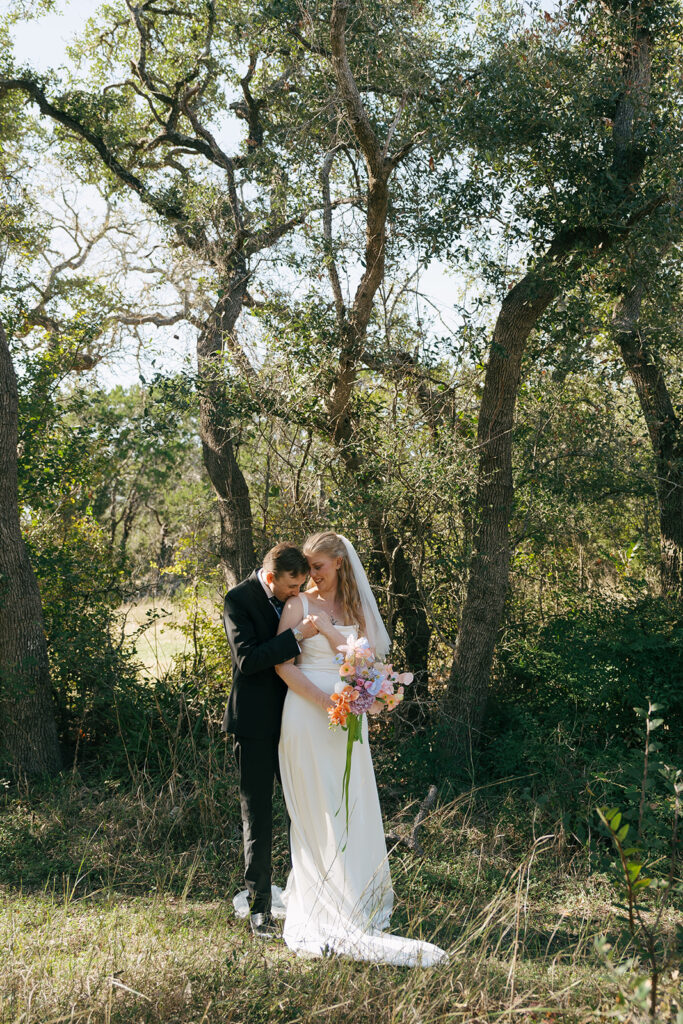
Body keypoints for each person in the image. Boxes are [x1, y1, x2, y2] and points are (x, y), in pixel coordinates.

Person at [274, 531, 448, 966]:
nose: (310, 575)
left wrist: (350, 691)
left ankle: (356, 894)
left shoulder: (356, 609)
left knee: (350, 802)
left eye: (318, 566)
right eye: (307, 567)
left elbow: (368, 664)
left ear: (339, 564)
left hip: (350, 716)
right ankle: (319, 895)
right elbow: (281, 664)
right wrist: (322, 700)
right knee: (315, 806)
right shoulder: (297, 605)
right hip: (306, 713)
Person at [221, 542, 318, 939]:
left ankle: (315, 896)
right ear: (271, 575)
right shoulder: (238, 600)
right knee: (258, 816)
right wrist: (295, 635)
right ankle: (259, 908)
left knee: (307, 809)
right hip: (256, 723)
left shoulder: (304, 597)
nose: (296, 594)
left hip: (300, 720)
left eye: (302, 586)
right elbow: (248, 660)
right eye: (291, 587)